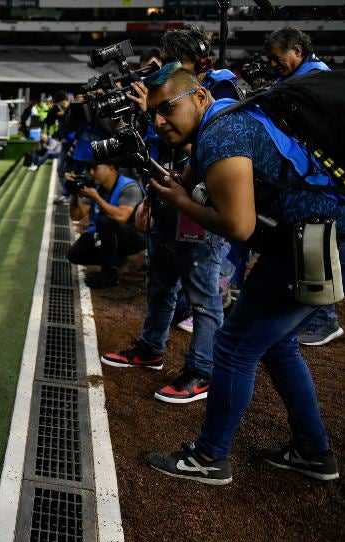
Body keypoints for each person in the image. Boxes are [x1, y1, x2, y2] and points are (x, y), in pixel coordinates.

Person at [143, 66, 344, 485]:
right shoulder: (229, 116)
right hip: (315, 235)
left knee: (234, 345)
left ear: (199, 97)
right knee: (278, 343)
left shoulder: (222, 134)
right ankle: (314, 451)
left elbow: (239, 226)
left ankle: (210, 457)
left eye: (167, 109)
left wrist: (181, 200)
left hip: (314, 242)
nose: (159, 122)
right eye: (153, 114)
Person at [102, 62, 225, 404]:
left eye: (165, 109)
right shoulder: (165, 108)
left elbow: (199, 163)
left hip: (198, 216)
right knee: (160, 287)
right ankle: (151, 349)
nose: (159, 118)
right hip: (166, 211)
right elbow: (159, 161)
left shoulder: (215, 115)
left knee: (203, 299)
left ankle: (202, 371)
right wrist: (151, 199)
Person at [260, 27, 340, 346]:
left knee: (318, 244)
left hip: (322, 178)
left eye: (277, 58)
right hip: (305, 175)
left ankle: (325, 319)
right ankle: (311, 313)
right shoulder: (296, 80)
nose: (272, 64)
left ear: (297, 49)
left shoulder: (317, 78)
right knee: (305, 244)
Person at [66, 161, 146, 289]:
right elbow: (77, 215)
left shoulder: (129, 187)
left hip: (134, 236)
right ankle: (117, 260)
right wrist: (75, 193)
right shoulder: (96, 187)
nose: (92, 172)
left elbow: (121, 216)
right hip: (107, 234)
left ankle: (110, 273)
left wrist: (96, 198)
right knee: (74, 254)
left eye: (95, 168)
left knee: (105, 221)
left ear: (111, 168)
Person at [266, 26, 331, 83]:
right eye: (270, 59)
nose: (273, 64)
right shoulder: (295, 72)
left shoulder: (318, 77)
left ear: (297, 51)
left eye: (276, 58)